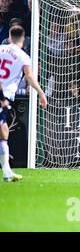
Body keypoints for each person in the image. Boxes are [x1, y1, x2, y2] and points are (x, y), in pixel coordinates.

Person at [0, 26, 47, 182]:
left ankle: (7, 172)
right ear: (23, 38)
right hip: (3, 96)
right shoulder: (23, 56)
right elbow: (29, 76)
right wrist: (41, 93)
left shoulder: (1, 48)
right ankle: (7, 172)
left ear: (9, 36)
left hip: (4, 96)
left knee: (4, 131)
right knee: (3, 132)